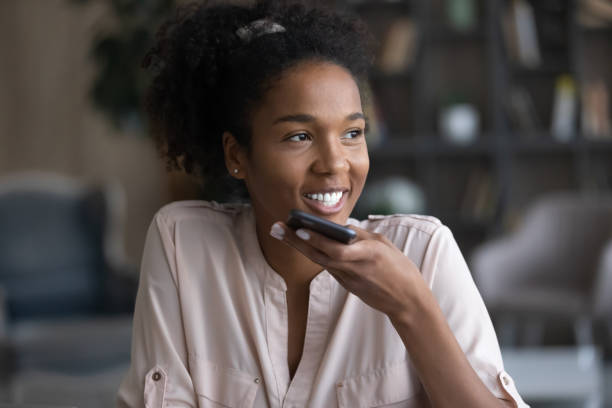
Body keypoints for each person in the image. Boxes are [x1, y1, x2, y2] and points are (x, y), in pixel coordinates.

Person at [117, 0, 529, 407]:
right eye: (299, 137)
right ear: (237, 155)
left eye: (353, 133)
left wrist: (410, 305)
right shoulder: (182, 242)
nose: (335, 164)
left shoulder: (424, 252)